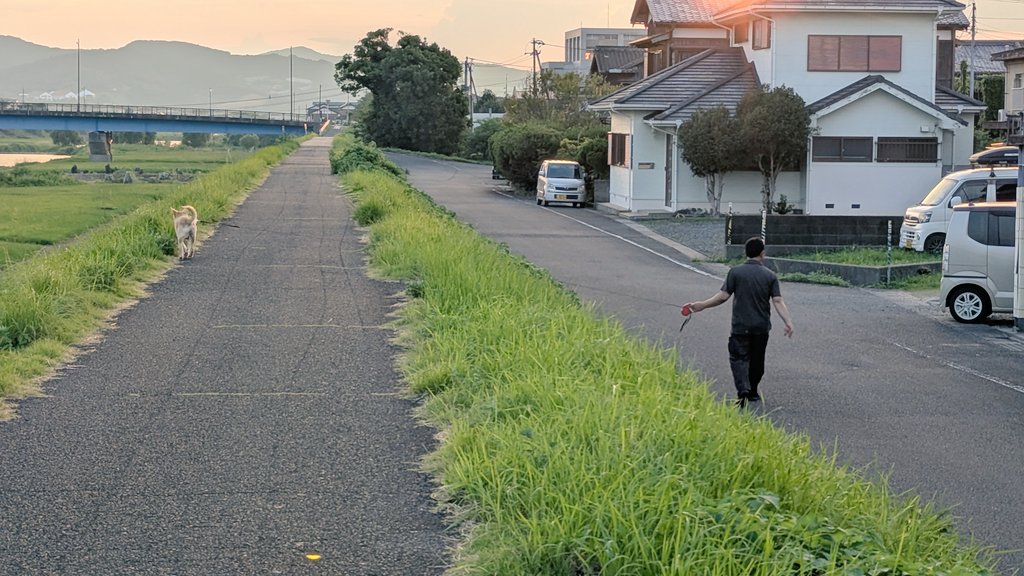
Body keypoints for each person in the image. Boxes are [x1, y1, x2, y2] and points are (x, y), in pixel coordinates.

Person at [683, 237, 794, 407]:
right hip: (761, 327)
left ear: (745, 253)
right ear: (762, 254)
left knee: (738, 358)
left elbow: (723, 297)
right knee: (757, 360)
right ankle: (753, 391)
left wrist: (702, 305)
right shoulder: (770, 276)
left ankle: (743, 388)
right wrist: (788, 321)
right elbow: (778, 301)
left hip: (740, 326)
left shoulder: (735, 272)